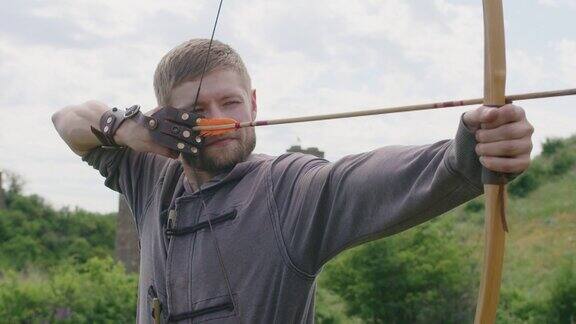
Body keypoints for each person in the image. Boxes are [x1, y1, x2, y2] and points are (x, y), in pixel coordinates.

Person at [52, 39, 533, 323]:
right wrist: (126, 126)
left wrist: (469, 152)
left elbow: (362, 179)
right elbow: (66, 117)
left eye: (231, 103)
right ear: (167, 118)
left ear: (255, 104)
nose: (219, 120)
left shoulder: (290, 190)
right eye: (197, 111)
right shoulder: (150, 172)